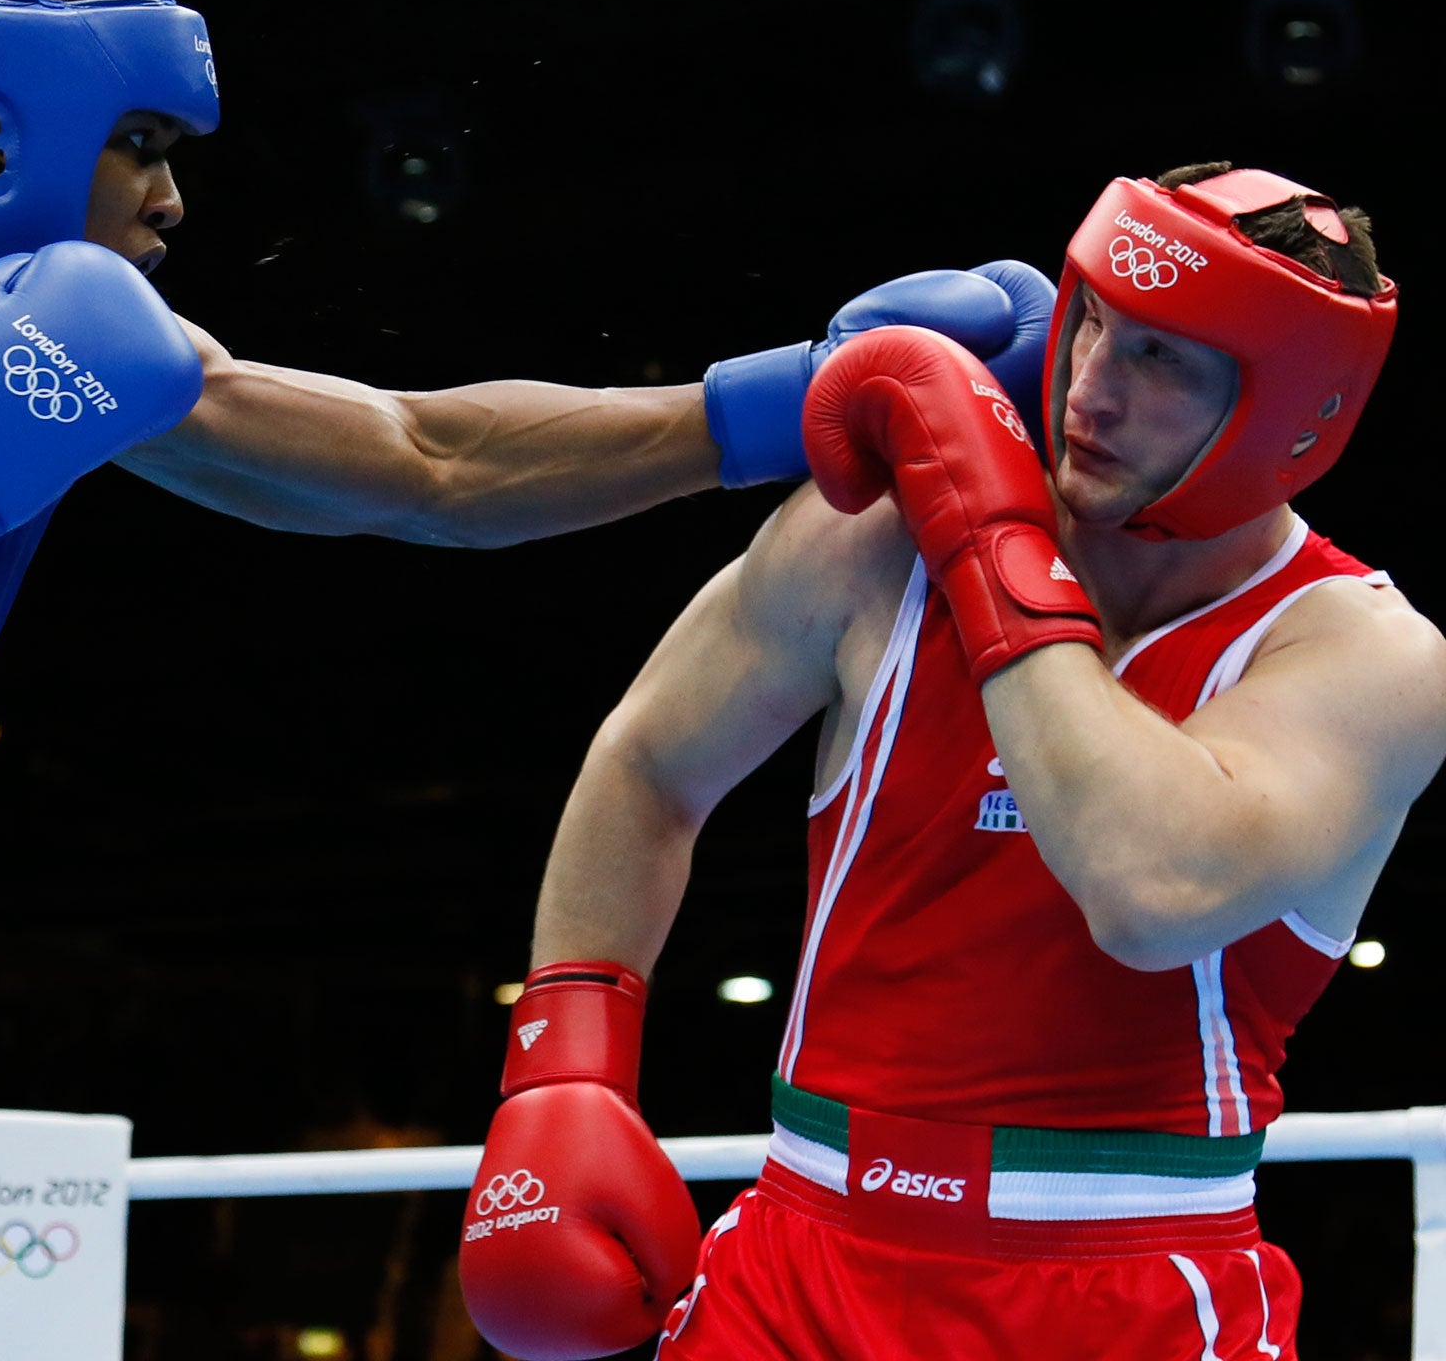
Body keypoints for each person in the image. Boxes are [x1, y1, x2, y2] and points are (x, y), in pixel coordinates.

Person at [0, 0, 1043, 1357]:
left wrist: (777, 405)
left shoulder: (70, 363)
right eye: (138, 146)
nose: (175, 200)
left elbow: (423, 462)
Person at [458, 164, 1446, 1358]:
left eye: (1161, 359)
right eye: (1092, 322)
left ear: (1295, 410)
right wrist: (566, 1064)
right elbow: (650, 761)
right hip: (794, 1259)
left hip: (1118, 1288)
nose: (1088, 387)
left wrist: (989, 540)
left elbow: (1150, 896)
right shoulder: (871, 544)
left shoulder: (1359, 653)